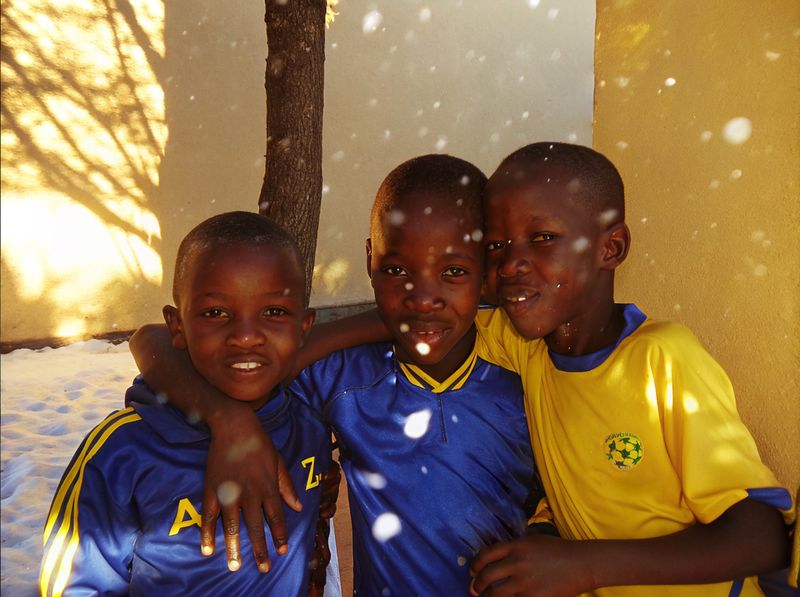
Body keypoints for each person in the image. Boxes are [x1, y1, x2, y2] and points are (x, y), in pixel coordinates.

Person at [129, 155, 549, 595]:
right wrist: (226, 418)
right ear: (370, 259)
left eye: (454, 272)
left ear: (486, 269)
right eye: (397, 271)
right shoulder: (342, 375)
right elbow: (153, 340)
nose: (424, 298)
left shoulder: (524, 368)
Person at [467, 141, 793, 596]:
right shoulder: (528, 349)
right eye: (497, 245)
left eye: (542, 238)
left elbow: (762, 539)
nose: (510, 264)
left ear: (611, 248)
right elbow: (431, 315)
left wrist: (584, 566)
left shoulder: (663, 358)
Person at [40, 212, 335, 596]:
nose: (245, 337)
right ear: (177, 327)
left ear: (304, 326)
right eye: (215, 313)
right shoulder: (121, 452)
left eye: (274, 312)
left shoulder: (309, 425)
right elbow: (74, 587)